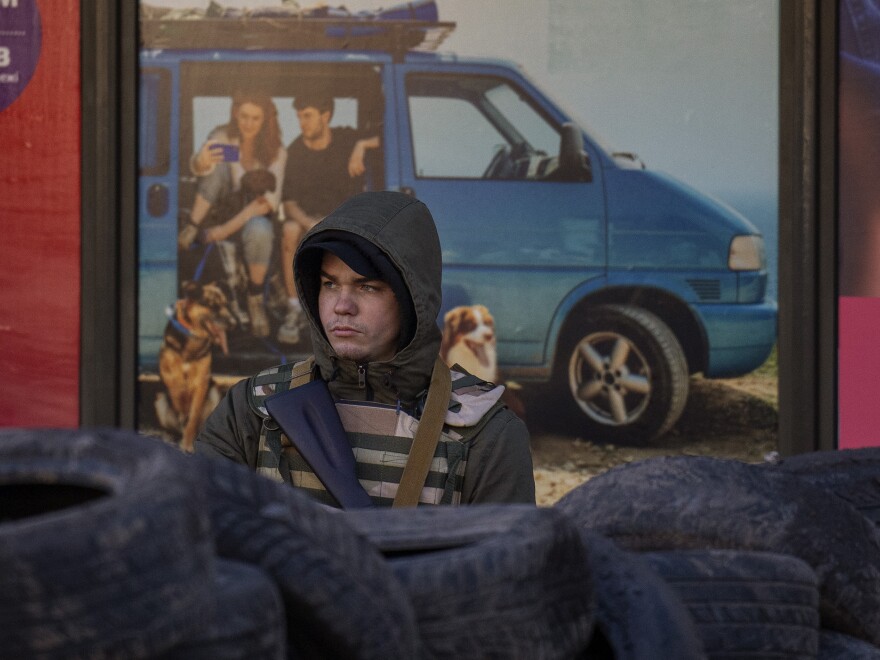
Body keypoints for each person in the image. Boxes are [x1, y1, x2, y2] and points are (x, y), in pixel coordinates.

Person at [196, 191, 536, 506]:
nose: (342, 306)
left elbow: (505, 567)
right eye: (329, 284)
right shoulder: (252, 411)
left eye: (367, 287)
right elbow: (202, 548)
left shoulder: (486, 434)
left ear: (410, 299)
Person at [179, 91, 287, 338]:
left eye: (255, 118)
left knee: (261, 228)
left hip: (253, 220)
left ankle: (255, 301)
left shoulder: (275, 152)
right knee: (216, 164)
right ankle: (191, 225)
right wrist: (201, 160)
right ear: (235, 114)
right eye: (244, 116)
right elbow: (202, 168)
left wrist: (219, 233)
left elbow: (267, 203)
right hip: (217, 211)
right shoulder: (226, 139)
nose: (248, 123)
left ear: (265, 121)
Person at [276, 94, 380, 344]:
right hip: (308, 224)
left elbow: (390, 137)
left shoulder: (346, 138)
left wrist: (362, 146)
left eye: (308, 116)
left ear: (326, 116)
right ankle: (294, 310)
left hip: (348, 221)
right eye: (299, 117)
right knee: (289, 229)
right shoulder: (296, 151)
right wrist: (312, 224)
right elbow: (288, 204)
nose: (302, 123)